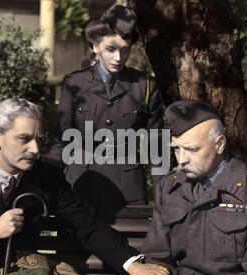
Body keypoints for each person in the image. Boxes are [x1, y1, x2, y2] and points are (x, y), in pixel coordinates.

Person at [0, 97, 168, 275]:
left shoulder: (46, 177)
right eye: (24, 139)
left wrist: (132, 265)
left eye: (38, 139)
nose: (35, 149)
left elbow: (86, 225)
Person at [140, 100, 247, 275]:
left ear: (219, 144)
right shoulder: (169, 187)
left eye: (192, 149)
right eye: (176, 149)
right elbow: (158, 258)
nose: (182, 160)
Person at [46, 4, 165, 222]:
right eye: (111, 49)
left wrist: (164, 200)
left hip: (127, 191)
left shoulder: (144, 86)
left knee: (131, 251)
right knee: (75, 253)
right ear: (94, 46)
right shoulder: (75, 84)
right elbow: (60, 142)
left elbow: (158, 150)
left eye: (125, 49)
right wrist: (45, 184)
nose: (119, 57)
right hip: (81, 184)